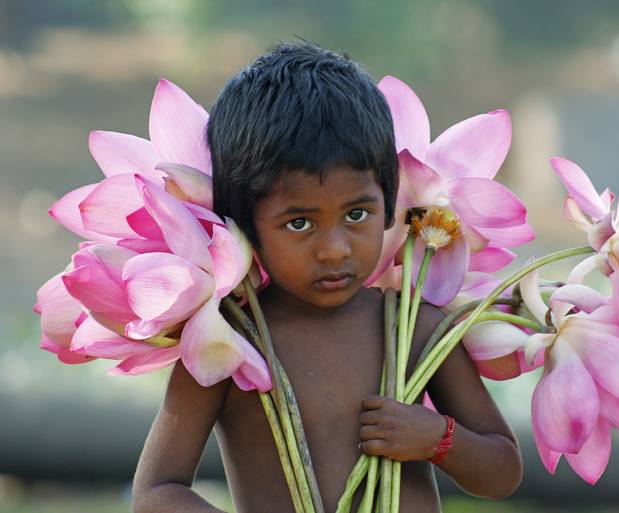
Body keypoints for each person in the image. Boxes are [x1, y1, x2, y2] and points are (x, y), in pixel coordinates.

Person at [131, 41, 522, 513]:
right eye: (299, 223)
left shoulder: (417, 327)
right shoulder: (229, 340)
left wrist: (439, 440)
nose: (335, 248)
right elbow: (156, 492)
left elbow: (503, 471)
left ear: (390, 200)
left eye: (357, 213)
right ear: (245, 223)